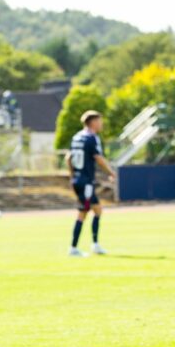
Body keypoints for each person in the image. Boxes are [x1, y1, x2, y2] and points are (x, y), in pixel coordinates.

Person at [67, 110, 115, 256]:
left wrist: (72, 176)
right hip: (86, 182)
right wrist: (111, 173)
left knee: (97, 210)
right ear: (93, 122)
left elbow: (68, 158)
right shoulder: (91, 138)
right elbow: (99, 158)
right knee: (83, 212)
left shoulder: (77, 137)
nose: (101, 124)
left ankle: (94, 245)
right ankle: (75, 248)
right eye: (99, 121)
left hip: (78, 179)